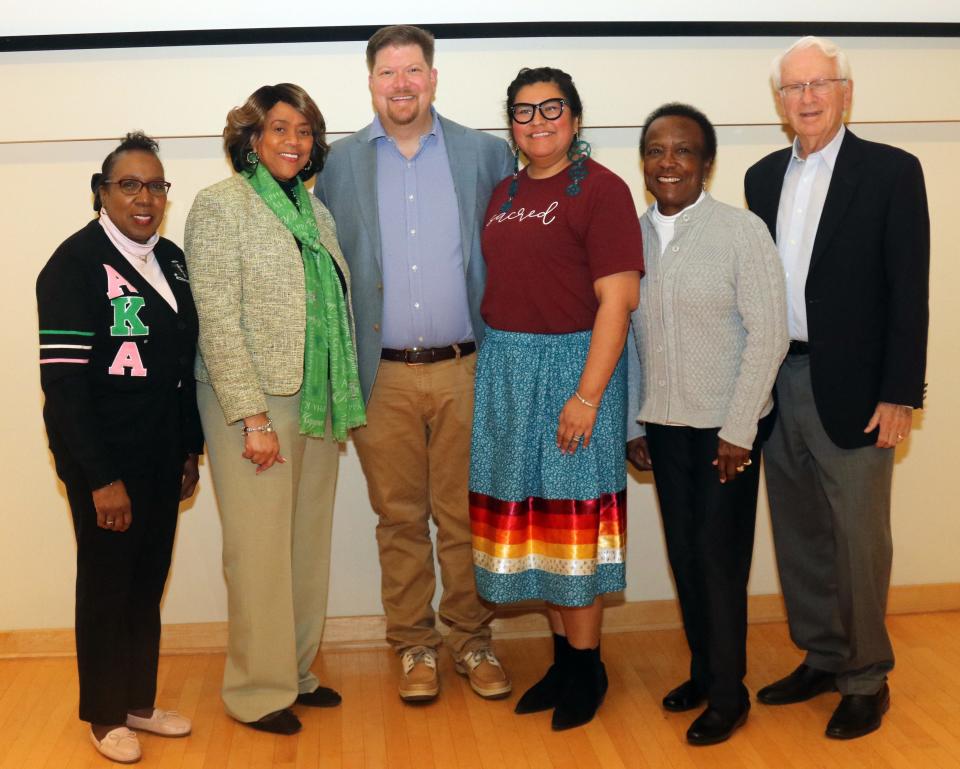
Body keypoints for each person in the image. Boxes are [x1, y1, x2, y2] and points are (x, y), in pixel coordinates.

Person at [314, 25, 514, 702]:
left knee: (464, 515)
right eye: (387, 72)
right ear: (370, 82)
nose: (401, 84)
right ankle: (414, 646)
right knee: (398, 518)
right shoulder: (339, 165)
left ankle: (472, 639)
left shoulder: (484, 154)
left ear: (433, 78)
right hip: (382, 375)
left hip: (467, 367)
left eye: (413, 71)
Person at [745, 36, 929, 739]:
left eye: (822, 84)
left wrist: (899, 392)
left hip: (856, 386)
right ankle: (822, 654)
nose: (809, 98)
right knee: (799, 532)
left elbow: (908, 291)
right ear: (779, 101)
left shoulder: (891, 171)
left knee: (857, 538)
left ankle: (866, 678)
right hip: (780, 379)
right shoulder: (762, 177)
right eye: (795, 88)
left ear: (846, 92)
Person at [185, 84, 365, 735]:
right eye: (281, 127)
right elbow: (216, 319)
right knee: (259, 550)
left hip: (316, 395)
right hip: (254, 405)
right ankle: (257, 690)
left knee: (303, 543)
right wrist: (251, 417)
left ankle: (294, 671)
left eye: (306, 130)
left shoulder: (315, 214)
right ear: (252, 136)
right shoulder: (219, 206)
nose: (295, 140)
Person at [470, 66, 643, 730]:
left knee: (574, 527)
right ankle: (563, 659)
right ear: (509, 123)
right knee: (535, 525)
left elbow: (618, 300)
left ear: (574, 117)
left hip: (575, 373)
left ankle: (586, 667)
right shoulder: (503, 192)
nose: (537, 121)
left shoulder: (603, 191)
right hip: (509, 371)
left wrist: (588, 396)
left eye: (551, 108)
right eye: (523, 111)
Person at [625, 103, 788, 745]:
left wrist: (738, 429)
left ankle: (729, 694)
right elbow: (629, 336)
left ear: (707, 163)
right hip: (664, 428)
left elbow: (768, 334)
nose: (669, 162)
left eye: (684, 150)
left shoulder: (740, 232)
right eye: (657, 150)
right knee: (686, 558)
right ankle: (704, 671)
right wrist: (635, 422)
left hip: (727, 433)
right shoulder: (632, 236)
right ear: (644, 162)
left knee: (721, 563)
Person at [37, 132, 202, 764]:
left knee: (146, 582)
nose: (146, 197)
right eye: (129, 184)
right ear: (101, 193)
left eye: (156, 185)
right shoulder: (73, 265)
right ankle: (104, 715)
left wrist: (189, 449)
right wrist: (101, 478)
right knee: (107, 586)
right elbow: (64, 385)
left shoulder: (174, 260)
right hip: (105, 462)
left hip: (163, 457)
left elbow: (182, 366)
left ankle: (137, 700)